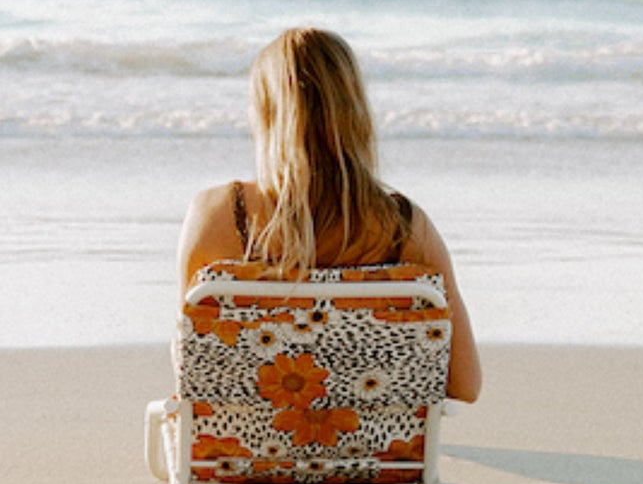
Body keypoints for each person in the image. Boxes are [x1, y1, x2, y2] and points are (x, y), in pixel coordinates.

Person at [176, 27, 481, 402]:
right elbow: (465, 385)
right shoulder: (404, 226)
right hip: (376, 457)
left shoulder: (222, 215)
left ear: (266, 112)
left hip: (238, 458)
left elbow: (191, 373)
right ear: (354, 108)